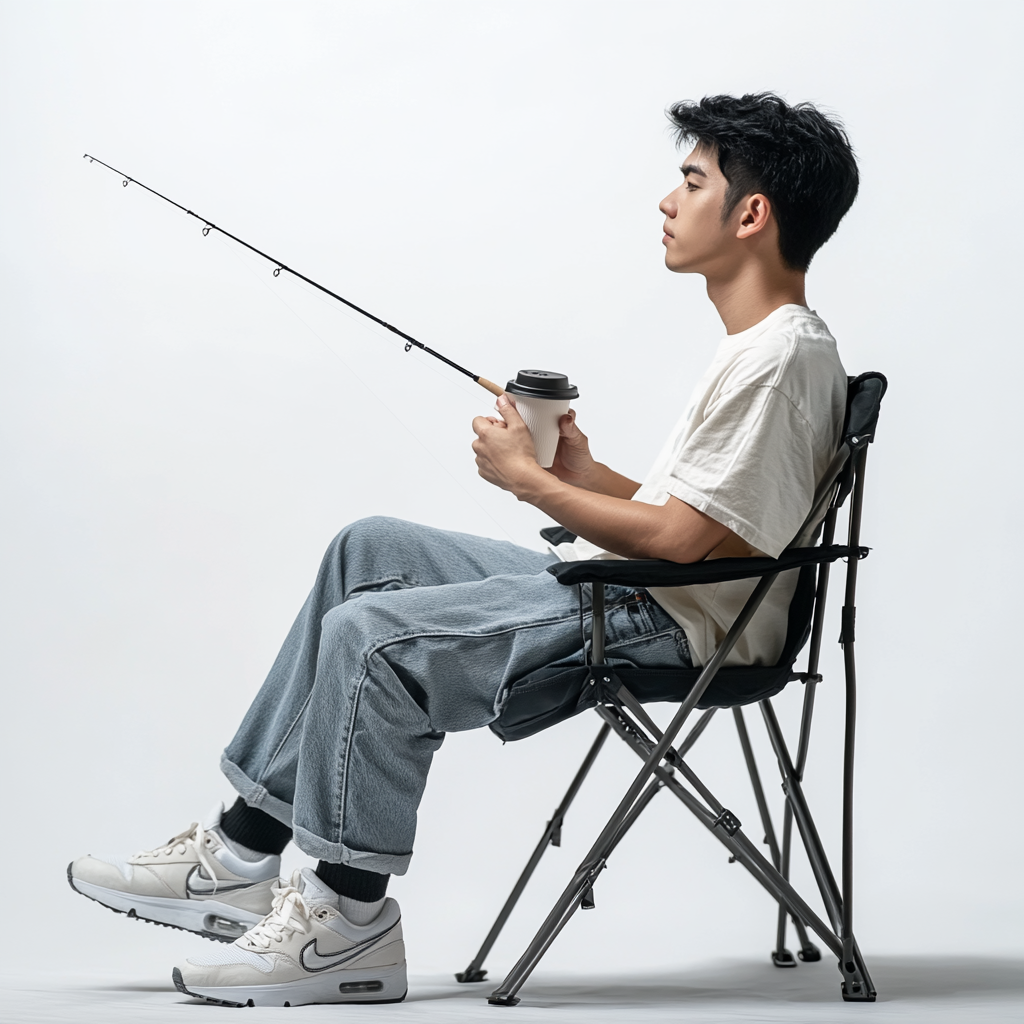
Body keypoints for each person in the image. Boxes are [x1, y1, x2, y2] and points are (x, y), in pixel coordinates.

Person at [69, 93, 859, 1008]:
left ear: (752, 214)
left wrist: (532, 482)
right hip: (660, 594)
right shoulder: (763, 347)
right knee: (370, 550)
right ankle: (240, 854)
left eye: (692, 181)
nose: (666, 202)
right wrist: (583, 470)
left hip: (674, 622)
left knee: (372, 637)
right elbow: (701, 518)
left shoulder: (778, 358)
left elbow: (686, 544)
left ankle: (346, 922)